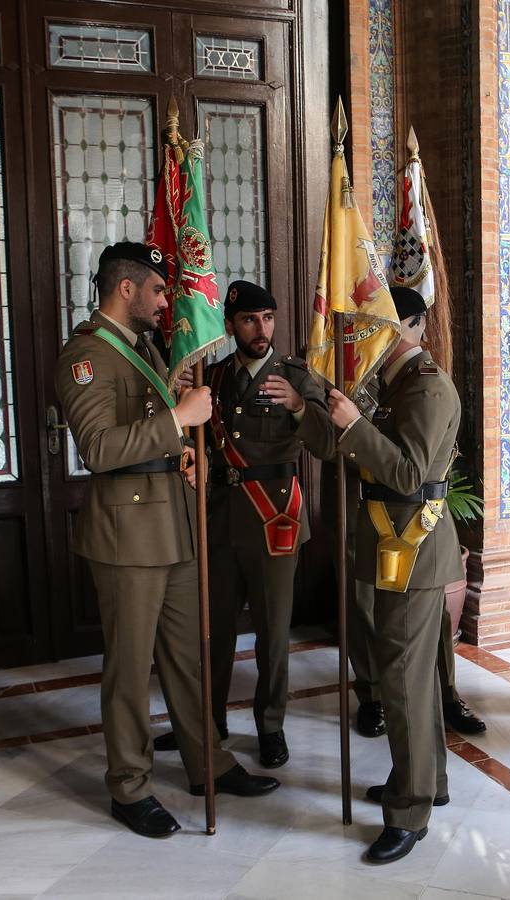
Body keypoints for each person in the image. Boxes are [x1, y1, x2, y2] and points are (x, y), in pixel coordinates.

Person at [55, 241, 278, 839]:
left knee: (188, 658)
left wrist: (182, 449)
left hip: (174, 524)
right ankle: (129, 787)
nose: (165, 302)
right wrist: (178, 420)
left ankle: (208, 764)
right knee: (130, 669)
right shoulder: (86, 356)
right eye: (157, 290)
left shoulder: (146, 348)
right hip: (126, 536)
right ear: (125, 289)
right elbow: (99, 449)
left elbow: (151, 433)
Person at [153, 281, 335, 769]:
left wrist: (298, 406)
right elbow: (203, 444)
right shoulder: (211, 376)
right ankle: (207, 726)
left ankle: (270, 725)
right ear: (231, 325)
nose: (262, 329)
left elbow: (329, 445)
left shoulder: (297, 375)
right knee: (211, 631)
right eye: (251, 320)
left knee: (273, 632)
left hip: (274, 515)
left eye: (269, 318)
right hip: (221, 518)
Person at [328, 286, 462, 864]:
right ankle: (427, 781)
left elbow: (407, 472)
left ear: (412, 324)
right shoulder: (395, 384)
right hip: (393, 546)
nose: (367, 332)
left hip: (416, 549)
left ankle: (410, 811)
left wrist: (355, 425)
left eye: (378, 322)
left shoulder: (427, 385)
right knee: (413, 679)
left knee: (403, 682)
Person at [344, 381, 486, 740]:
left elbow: (417, 461)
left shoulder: (417, 379)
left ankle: (446, 695)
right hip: (362, 504)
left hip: (415, 514)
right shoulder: (348, 368)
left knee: (429, 616)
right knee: (364, 605)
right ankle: (373, 696)